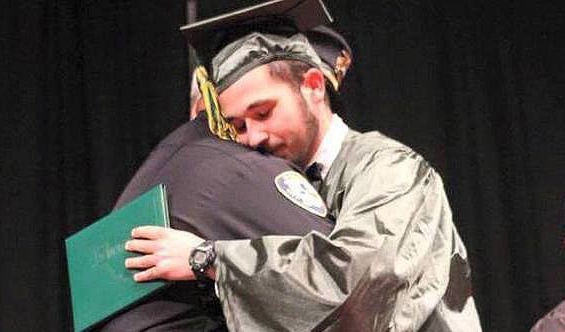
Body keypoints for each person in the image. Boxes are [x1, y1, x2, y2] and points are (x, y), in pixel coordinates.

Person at [125, 0, 483, 331]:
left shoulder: (392, 171)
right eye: (237, 126)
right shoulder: (273, 188)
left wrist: (206, 257)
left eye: (263, 112)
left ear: (313, 86)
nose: (252, 136)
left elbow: (358, 284)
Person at [96, 77, 333, 331]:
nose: (253, 137)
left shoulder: (163, 162)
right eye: (241, 122)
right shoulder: (239, 165)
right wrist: (205, 257)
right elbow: (339, 274)